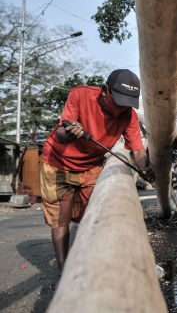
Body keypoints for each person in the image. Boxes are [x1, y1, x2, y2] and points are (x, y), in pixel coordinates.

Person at [40, 69, 156, 280]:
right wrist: (71, 130)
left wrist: (144, 166)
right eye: (119, 101)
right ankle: (63, 271)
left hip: (91, 166)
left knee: (93, 214)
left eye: (127, 103)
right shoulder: (80, 95)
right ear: (105, 92)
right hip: (58, 162)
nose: (121, 108)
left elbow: (137, 150)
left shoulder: (128, 115)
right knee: (60, 216)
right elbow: (60, 134)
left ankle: (89, 263)